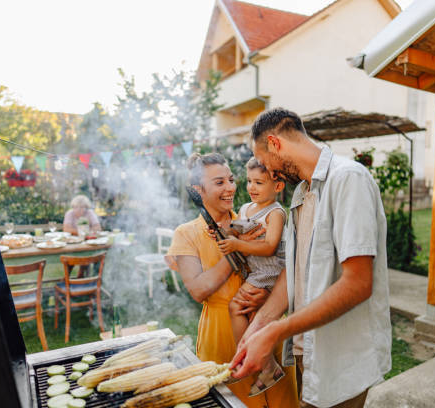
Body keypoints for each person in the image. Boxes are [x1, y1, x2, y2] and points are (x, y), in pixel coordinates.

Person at [230, 107, 392, 408]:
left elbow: (358, 283)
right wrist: (260, 325)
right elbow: (295, 272)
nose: (271, 175)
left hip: (343, 359)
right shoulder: (302, 193)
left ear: (275, 143)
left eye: (267, 164)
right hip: (309, 353)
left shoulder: (348, 179)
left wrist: (278, 329)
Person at [166, 152, 298, 408]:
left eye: (231, 179)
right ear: (198, 190)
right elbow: (198, 289)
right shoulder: (186, 234)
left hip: (267, 325)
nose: (230, 188)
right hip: (221, 335)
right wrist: (236, 250)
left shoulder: (255, 219)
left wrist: (270, 297)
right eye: (219, 183)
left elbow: (283, 266)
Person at [217, 157, 287, 396]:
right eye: (249, 181)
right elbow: (235, 230)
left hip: (268, 271)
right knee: (252, 314)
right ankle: (267, 367)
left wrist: (237, 244)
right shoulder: (246, 208)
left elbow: (269, 247)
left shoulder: (275, 213)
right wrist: (223, 232)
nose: (252, 187)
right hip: (253, 270)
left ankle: (249, 360)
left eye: (259, 182)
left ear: (278, 186)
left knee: (236, 307)